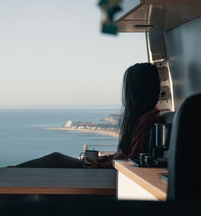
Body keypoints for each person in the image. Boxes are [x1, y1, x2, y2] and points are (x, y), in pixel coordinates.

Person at [15, 62, 163, 169]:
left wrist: (99, 165)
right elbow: (125, 156)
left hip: (109, 175)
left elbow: (131, 161)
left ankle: (10, 173)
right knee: (55, 159)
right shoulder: (148, 116)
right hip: (107, 170)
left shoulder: (147, 119)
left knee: (55, 159)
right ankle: (11, 172)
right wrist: (101, 159)